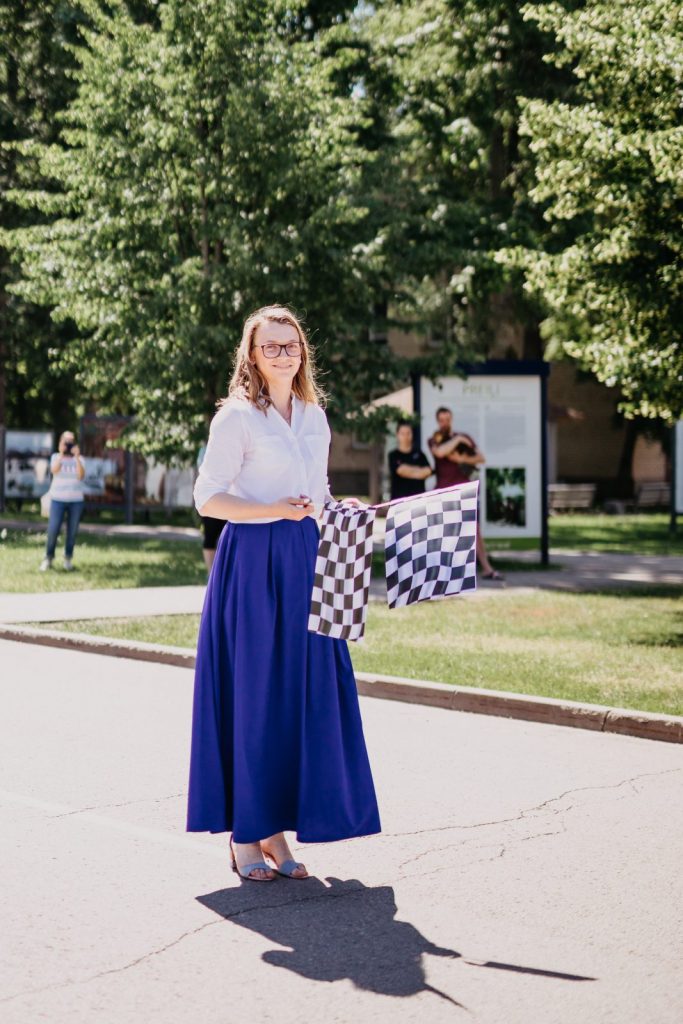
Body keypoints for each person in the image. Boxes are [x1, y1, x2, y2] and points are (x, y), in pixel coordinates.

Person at [187, 305, 381, 882]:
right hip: (251, 563)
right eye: (270, 346)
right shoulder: (236, 418)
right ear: (252, 355)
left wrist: (340, 508)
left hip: (304, 560)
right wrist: (273, 509)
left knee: (298, 695)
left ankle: (274, 829)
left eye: (290, 345)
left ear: (302, 352)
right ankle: (246, 835)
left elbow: (317, 491)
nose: (282, 354)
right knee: (256, 695)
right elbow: (207, 497)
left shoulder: (315, 416)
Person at [428, 406, 504, 581]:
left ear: (451, 419)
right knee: (443, 533)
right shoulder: (434, 439)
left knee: (474, 531)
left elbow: (480, 458)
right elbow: (440, 452)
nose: (445, 423)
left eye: (447, 419)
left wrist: (462, 458)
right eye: (442, 420)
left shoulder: (464, 437)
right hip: (443, 492)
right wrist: (459, 439)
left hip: (465, 491)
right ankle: (442, 571)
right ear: (438, 421)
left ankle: (487, 569)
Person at [39, 430, 86, 572]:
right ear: (61, 442)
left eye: (71, 441)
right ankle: (48, 558)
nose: (69, 444)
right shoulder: (55, 457)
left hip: (76, 500)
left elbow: (81, 476)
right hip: (57, 499)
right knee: (53, 530)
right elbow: (54, 470)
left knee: (72, 532)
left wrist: (76, 457)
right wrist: (61, 454)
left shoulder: (80, 459)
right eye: (66, 441)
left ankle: (68, 558)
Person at [196, 444, 225, 572]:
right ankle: (211, 574)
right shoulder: (205, 450)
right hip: (212, 500)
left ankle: (221, 573)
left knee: (225, 538)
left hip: (229, 499)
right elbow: (202, 474)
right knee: (210, 537)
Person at [388, 421, 433, 500]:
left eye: (408, 433)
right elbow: (401, 471)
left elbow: (428, 471)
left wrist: (409, 470)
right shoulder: (393, 455)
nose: (406, 436)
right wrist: (420, 471)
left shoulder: (420, 454)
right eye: (402, 433)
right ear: (397, 435)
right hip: (399, 502)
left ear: (412, 434)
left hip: (419, 501)